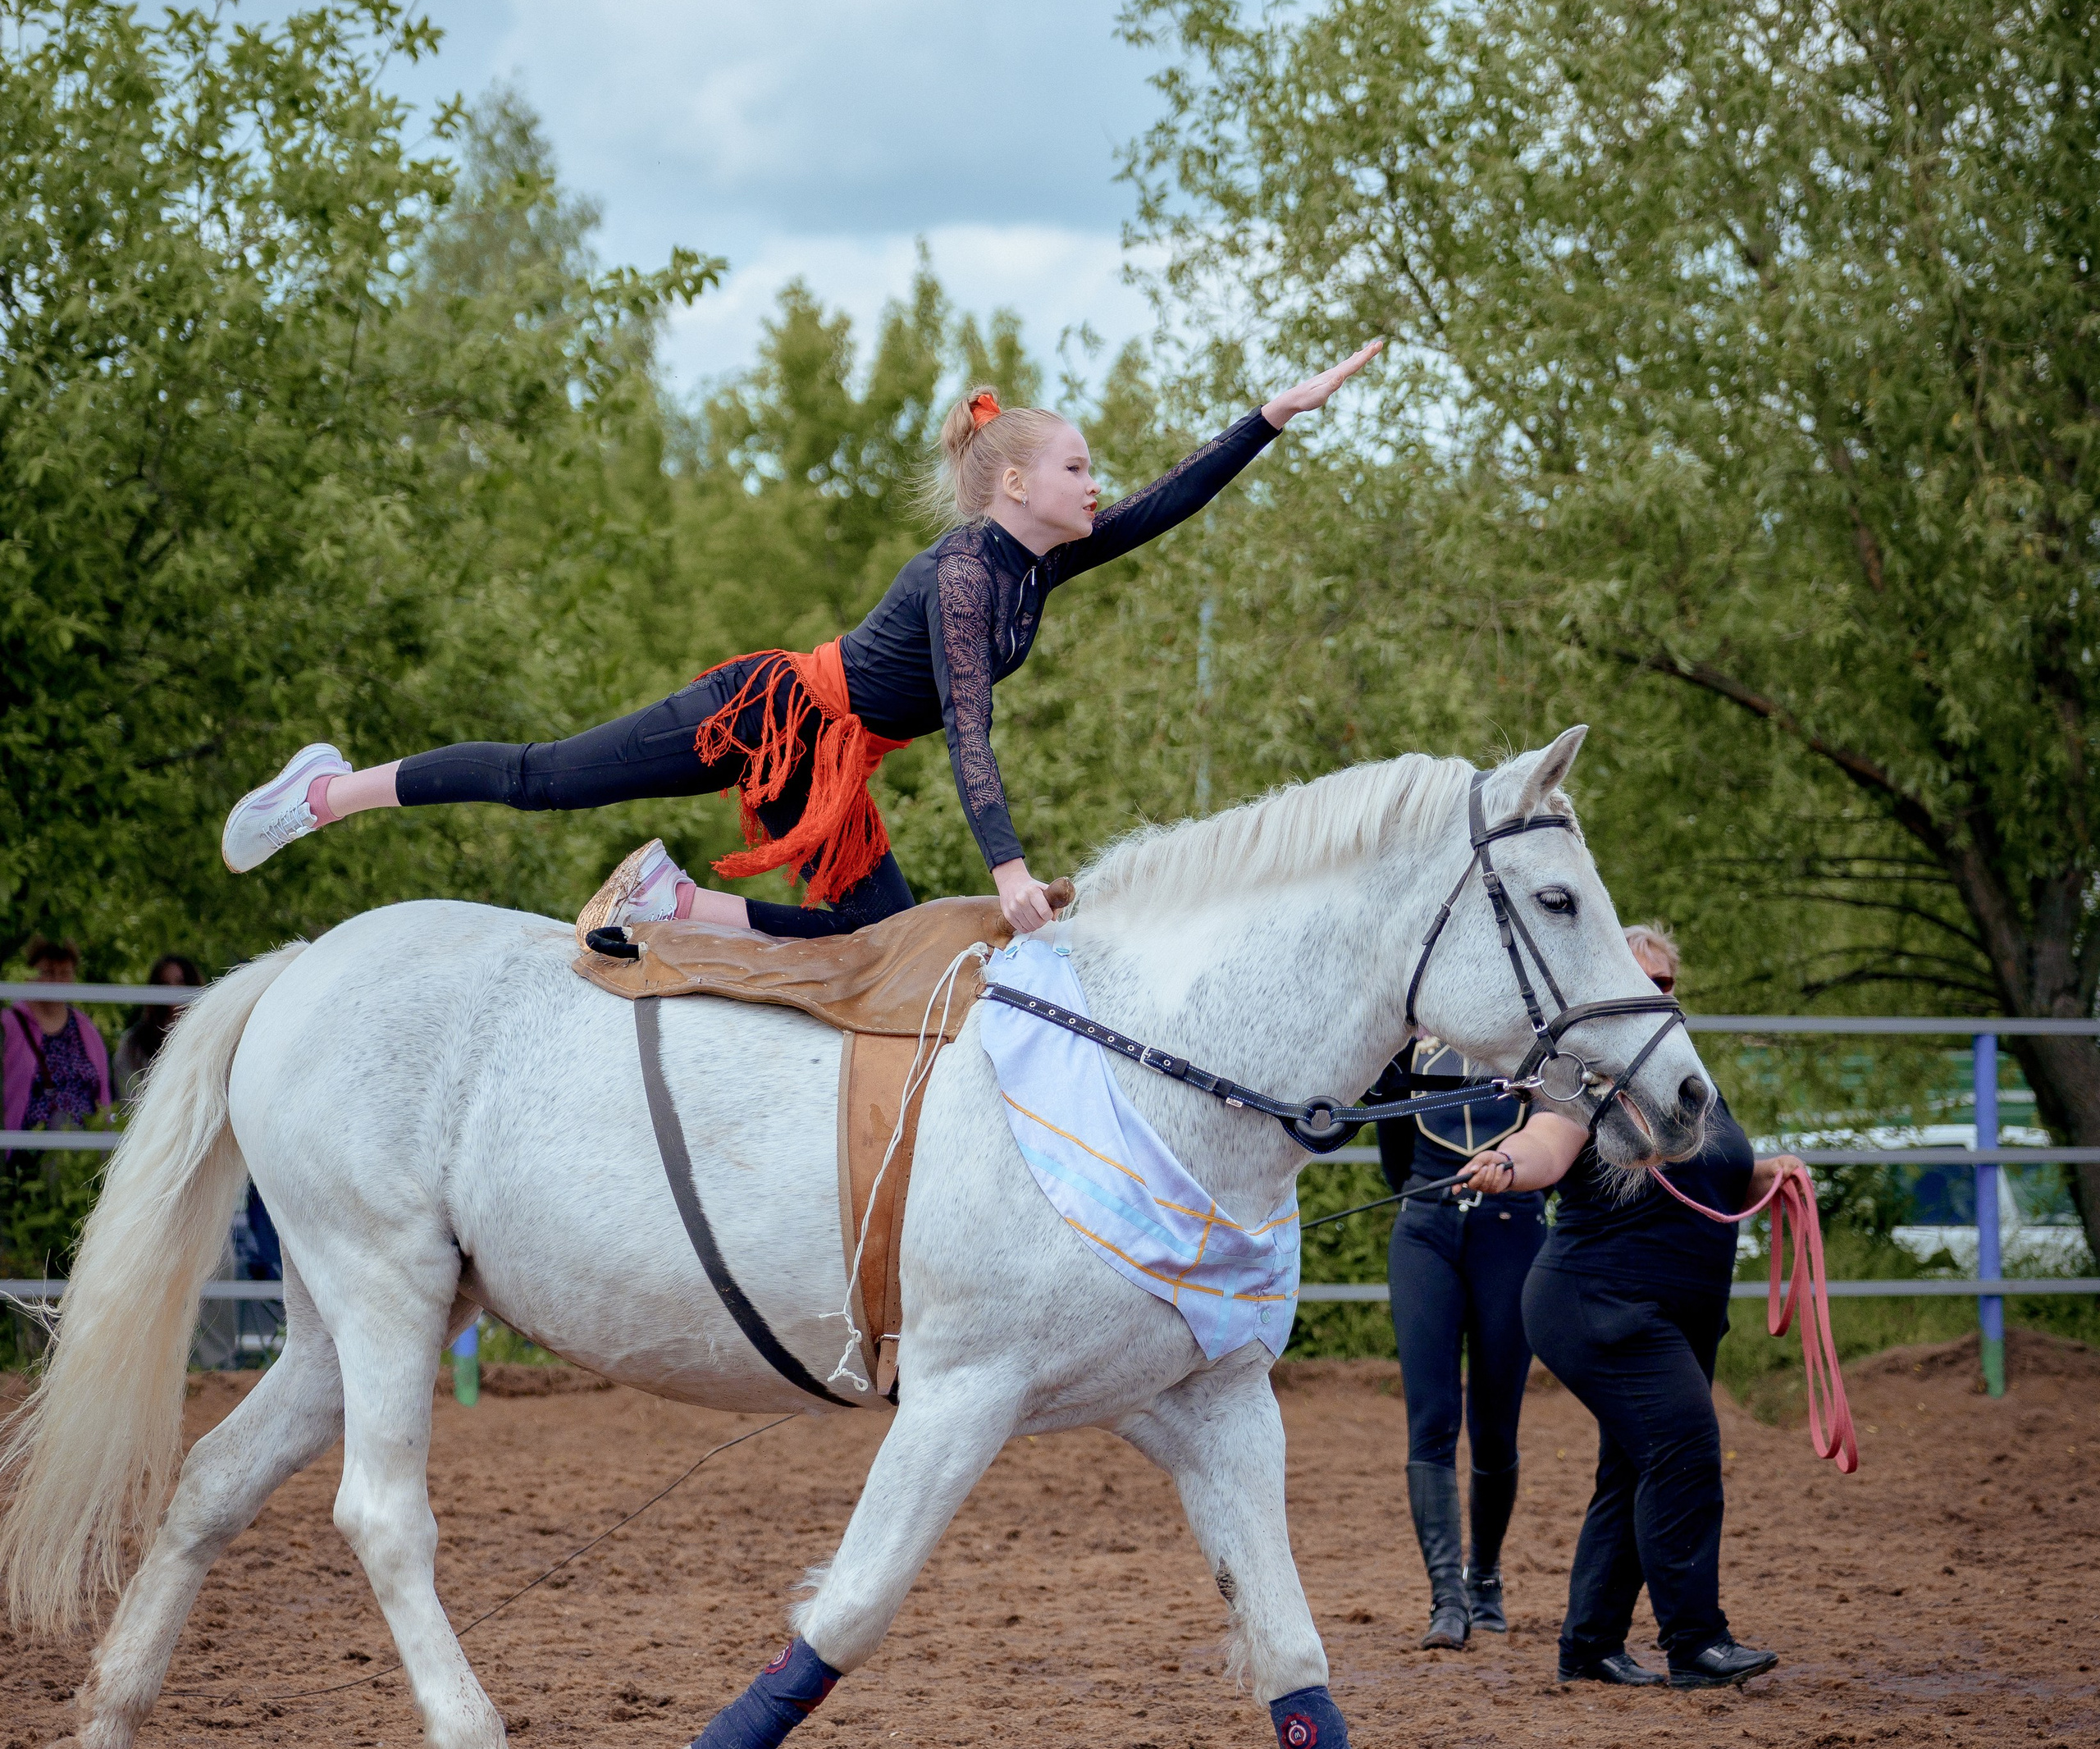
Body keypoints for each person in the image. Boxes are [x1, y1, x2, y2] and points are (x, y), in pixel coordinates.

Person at [217, 349, 1382, 938]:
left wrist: (1272, 418)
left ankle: (671, 906)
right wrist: (1011, 873)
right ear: (1015, 481)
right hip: (767, 719)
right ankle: (328, 793)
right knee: (544, 778)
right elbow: (967, 726)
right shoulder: (971, 574)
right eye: (1079, 467)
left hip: (831, 761)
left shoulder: (1042, 555)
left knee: (871, 944)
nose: (1098, 485)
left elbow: (1166, 504)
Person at [1449, 923, 1803, 1691]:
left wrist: (1769, 1174)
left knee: (1634, 1465)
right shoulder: (1584, 1077)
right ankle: (1696, 1642)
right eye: (1642, 984)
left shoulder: (1689, 1082)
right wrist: (1509, 1165)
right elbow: (1546, 1142)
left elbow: (1717, 1181)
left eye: (1667, 985)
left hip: (1688, 1308)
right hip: (1597, 1300)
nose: (1658, 997)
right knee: (1683, 1450)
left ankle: (1590, 1645)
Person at [1375, 1039, 1545, 1651]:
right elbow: (1394, 1152)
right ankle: (1447, 1597)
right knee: (1432, 1419)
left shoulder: (1536, 1046)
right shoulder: (1410, 1048)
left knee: (1497, 1423)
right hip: (1425, 1226)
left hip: (1513, 1229)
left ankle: (1487, 1579)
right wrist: (1430, 1196)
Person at [3, 938, 111, 1149]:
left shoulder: (86, 1029)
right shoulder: (9, 1024)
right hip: (28, 1146)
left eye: (64, 973)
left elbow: (102, 1092)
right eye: (49, 972)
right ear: (30, 974)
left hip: (84, 1147)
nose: (57, 981)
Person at [112, 953, 204, 1102]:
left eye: (180, 982)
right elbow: (127, 1090)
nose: (173, 991)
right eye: (166, 984)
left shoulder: (206, 1034)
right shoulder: (135, 1041)